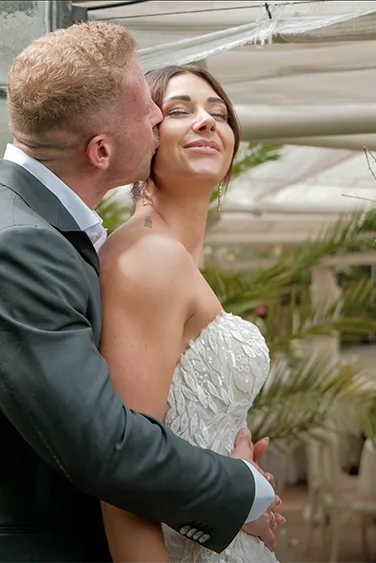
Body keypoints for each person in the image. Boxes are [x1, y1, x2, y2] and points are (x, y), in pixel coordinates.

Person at [0, 21, 280, 563]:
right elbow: (104, 446)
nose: (157, 118)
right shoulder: (13, 247)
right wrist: (240, 490)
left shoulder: (28, 226)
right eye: (150, 111)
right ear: (101, 150)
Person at [97, 65, 285, 563]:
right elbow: (124, 476)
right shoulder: (148, 260)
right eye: (179, 110)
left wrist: (243, 490)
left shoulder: (175, 258)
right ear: (143, 136)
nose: (206, 121)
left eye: (219, 114)